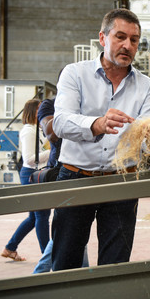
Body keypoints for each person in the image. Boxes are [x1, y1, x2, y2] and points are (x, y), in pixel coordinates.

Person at [51, 8, 150, 271]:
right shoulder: (74, 74)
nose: (127, 45)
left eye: (134, 40)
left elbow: (146, 141)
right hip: (75, 178)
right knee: (66, 259)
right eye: (120, 37)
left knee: (116, 263)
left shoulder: (147, 87)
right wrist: (97, 123)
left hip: (122, 182)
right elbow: (61, 122)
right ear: (103, 38)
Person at [32, 97, 89, 273]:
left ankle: (84, 271)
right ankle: (40, 272)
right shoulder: (49, 105)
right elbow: (52, 133)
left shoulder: (88, 101)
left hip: (87, 173)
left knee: (76, 229)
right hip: (62, 173)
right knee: (67, 230)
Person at [1, 98, 51, 261]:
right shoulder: (29, 131)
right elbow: (29, 159)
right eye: (39, 109)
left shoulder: (37, 129)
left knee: (33, 217)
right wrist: (54, 153)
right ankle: (47, 256)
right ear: (33, 112)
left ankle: (10, 248)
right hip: (31, 175)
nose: (43, 112)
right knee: (42, 216)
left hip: (35, 175)